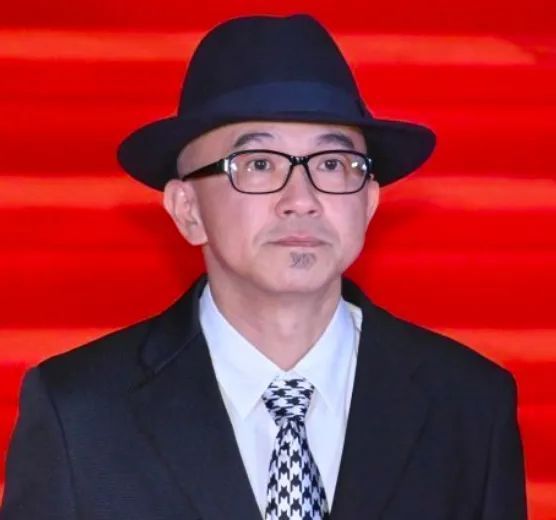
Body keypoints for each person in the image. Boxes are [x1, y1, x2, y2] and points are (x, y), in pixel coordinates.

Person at [0, 13, 527, 520]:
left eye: (332, 164)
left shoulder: (471, 404)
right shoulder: (79, 413)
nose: (301, 200)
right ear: (188, 210)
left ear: (369, 203)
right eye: (258, 164)